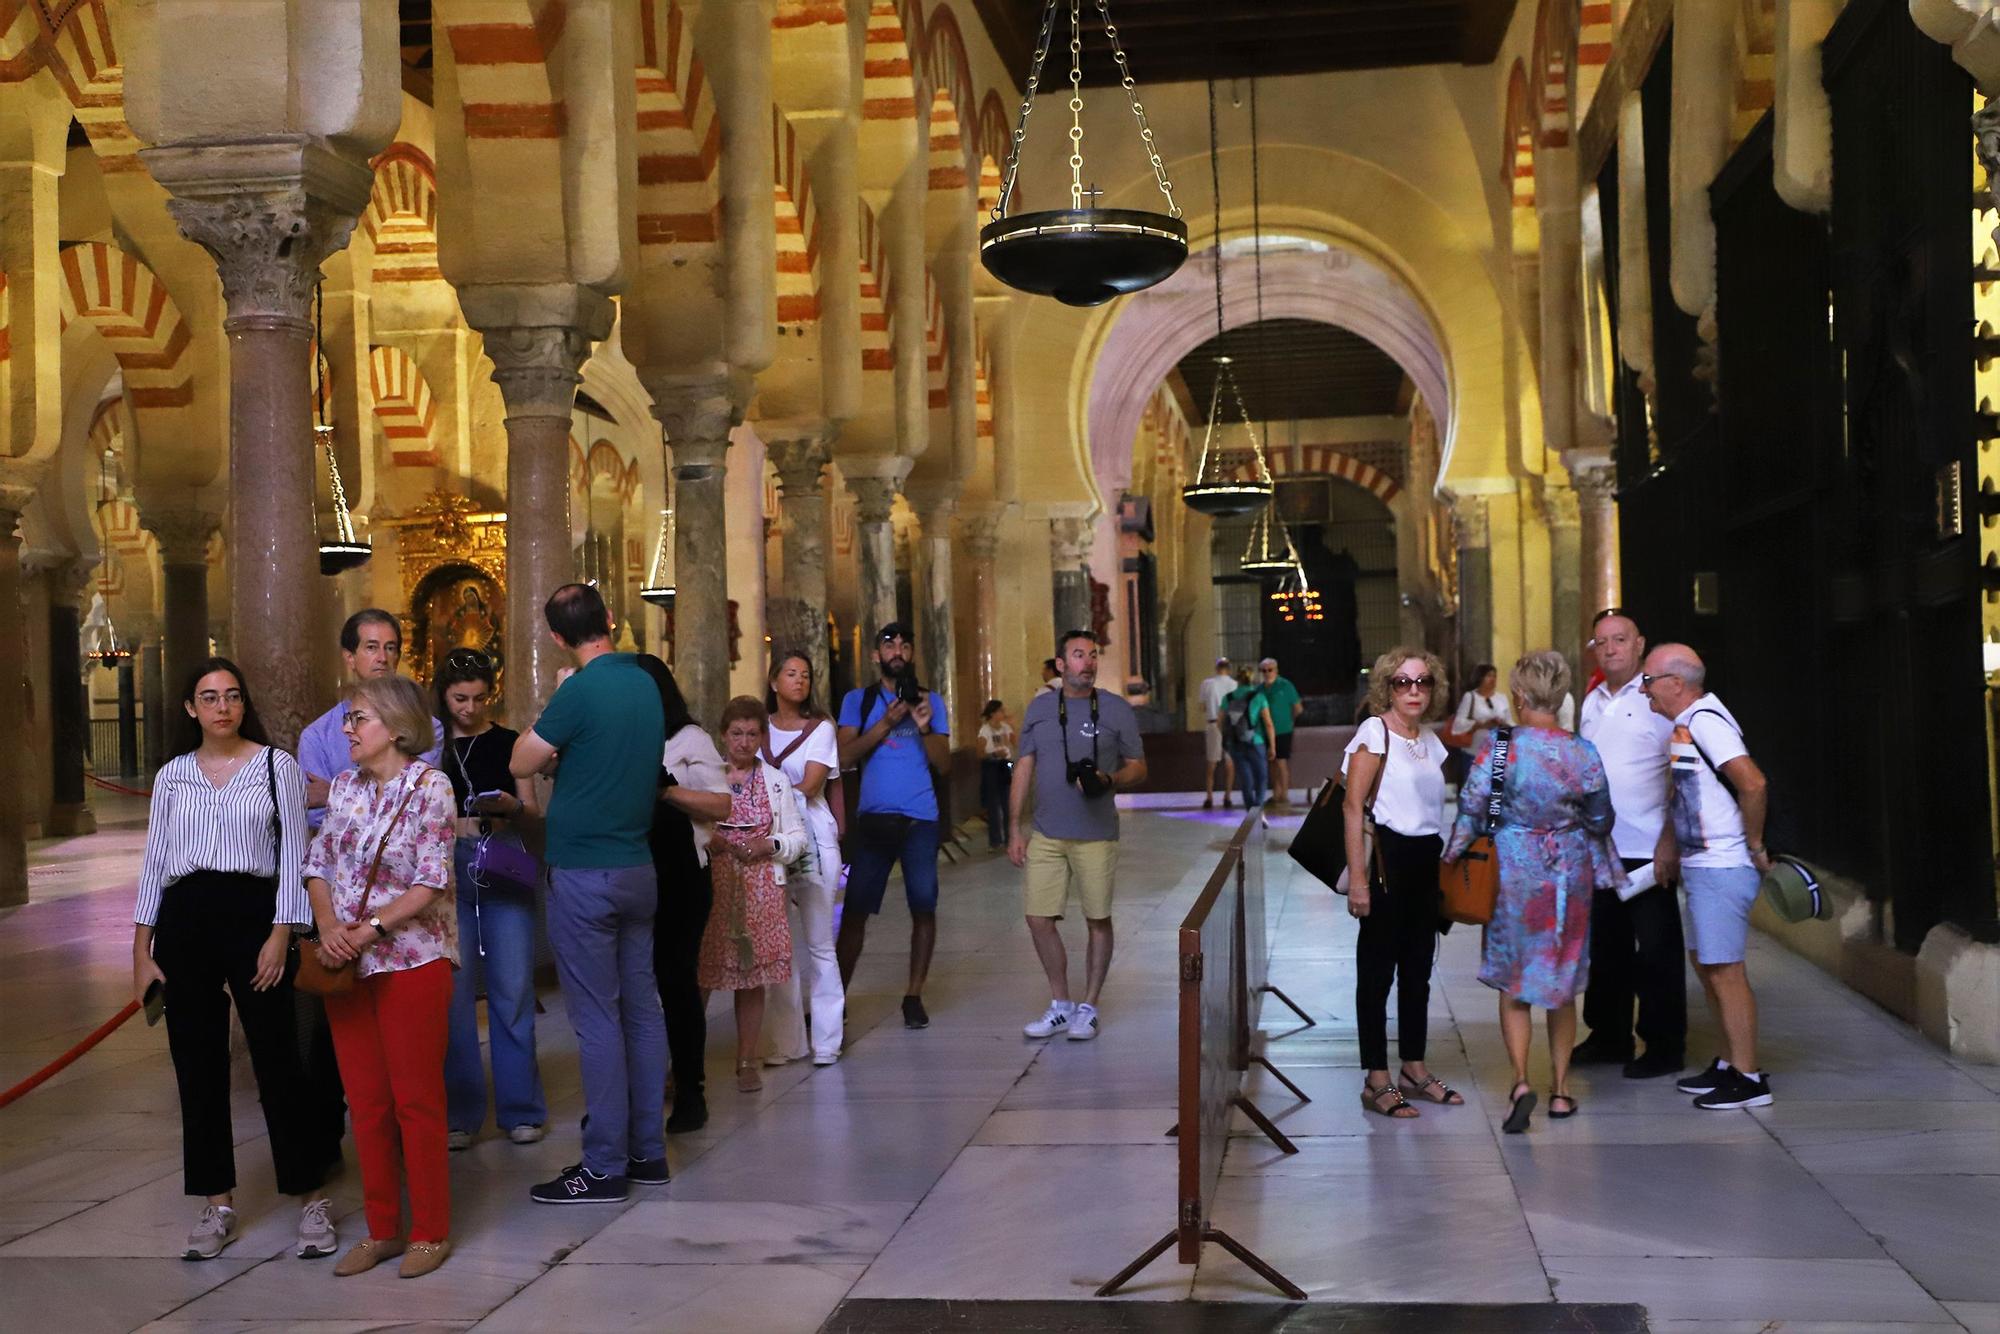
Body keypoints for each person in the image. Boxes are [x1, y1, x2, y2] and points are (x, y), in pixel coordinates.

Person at [131, 658, 332, 1262]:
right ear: (191, 708)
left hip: (255, 917)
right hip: (185, 920)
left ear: (244, 705)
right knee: (197, 1066)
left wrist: (282, 933)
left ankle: (309, 1195)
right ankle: (216, 1202)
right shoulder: (171, 777)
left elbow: (296, 855)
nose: (223, 707)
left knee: (278, 1061)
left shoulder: (278, 767)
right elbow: (155, 862)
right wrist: (141, 949)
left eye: (233, 696)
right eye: (209, 697)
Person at [510, 584, 669, 1203]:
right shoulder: (646, 684)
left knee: (598, 1019)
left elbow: (525, 760)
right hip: (637, 865)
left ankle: (603, 1165)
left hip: (584, 874)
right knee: (642, 1011)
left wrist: (556, 699)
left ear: (556, 637)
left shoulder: (578, 691)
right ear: (611, 619)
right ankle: (647, 1153)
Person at [303, 674, 458, 1279]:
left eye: (358, 718)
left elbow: (431, 878)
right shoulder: (343, 787)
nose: (347, 730)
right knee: (366, 1103)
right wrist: (328, 929)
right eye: (348, 718)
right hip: (347, 963)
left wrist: (365, 929)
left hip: (412, 959)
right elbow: (317, 863)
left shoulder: (431, 788)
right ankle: (382, 1227)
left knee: (415, 1100)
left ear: (395, 726)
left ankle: (430, 1230)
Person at [1445, 650, 1618, 1133]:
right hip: (1569, 873)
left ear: (1518, 697)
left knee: (1515, 981)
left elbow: (1473, 809)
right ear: (1561, 697)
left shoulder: (1500, 748)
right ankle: (1561, 1092)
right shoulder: (1583, 751)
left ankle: (1521, 1081)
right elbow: (1602, 819)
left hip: (1514, 872)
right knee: (1560, 984)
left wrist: (1452, 856)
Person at [294, 609, 442, 1159]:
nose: (382, 656)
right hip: (338, 910)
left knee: (412, 1066)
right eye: (371, 647)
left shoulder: (428, 729)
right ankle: (334, 1140)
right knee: (342, 1048)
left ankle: (416, 1167)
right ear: (350, 657)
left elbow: (413, 797)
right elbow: (319, 835)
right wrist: (330, 919)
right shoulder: (316, 734)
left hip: (406, 926)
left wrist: (333, 791)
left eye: (392, 647)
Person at [1641, 644, 1775, 1110]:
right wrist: (1669, 845)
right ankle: (1727, 1063)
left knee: (1726, 971)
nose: (1645, 691)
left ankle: (1749, 1076)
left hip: (1722, 863)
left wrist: (1754, 845)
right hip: (1700, 864)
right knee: (1707, 966)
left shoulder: (1704, 722)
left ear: (1676, 683)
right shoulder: (1686, 726)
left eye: (1649, 681)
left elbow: (1753, 783)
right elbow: (1685, 793)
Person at [434, 648, 547, 1150]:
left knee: (513, 986)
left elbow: (533, 813)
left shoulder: (509, 741)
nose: (470, 708)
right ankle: (459, 1112)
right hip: (445, 865)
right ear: (443, 695)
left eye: (480, 698)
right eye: (460, 698)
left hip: (500, 853)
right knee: (454, 997)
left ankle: (521, 1109)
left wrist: (511, 805)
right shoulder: (429, 746)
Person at [1009, 629, 1147, 1041]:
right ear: (1060, 664)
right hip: (1048, 833)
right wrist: (1015, 826)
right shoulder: (1039, 709)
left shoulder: (1116, 709)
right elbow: (1024, 768)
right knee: (1037, 918)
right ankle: (1060, 1003)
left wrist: (1112, 778)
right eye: (1078, 655)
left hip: (1096, 834)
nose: (1087, 662)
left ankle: (1088, 1006)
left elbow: (1139, 766)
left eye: (1092, 655)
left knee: (1097, 919)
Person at [1341, 647, 1455, 1120]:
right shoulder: (1374, 732)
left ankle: (1413, 1064)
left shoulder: (1429, 739)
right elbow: (1352, 807)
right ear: (1387, 687)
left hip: (1425, 859)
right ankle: (1376, 1076)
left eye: (1423, 682)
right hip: (1388, 859)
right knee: (1376, 974)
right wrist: (1359, 881)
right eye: (1403, 682)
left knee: (1418, 972)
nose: (1413, 691)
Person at [1575, 611, 1685, 1079]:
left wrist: (1669, 840)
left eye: (1620, 639)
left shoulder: (1657, 699)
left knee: (1656, 948)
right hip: (1599, 847)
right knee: (1607, 948)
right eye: (1602, 642)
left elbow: (1681, 775)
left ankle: (1663, 1044)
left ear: (1639, 644)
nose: (1611, 648)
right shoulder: (1592, 700)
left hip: (1647, 847)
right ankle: (1609, 1035)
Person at [633, 654, 732, 1134]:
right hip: (631, 871)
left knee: (676, 982)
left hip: (682, 876)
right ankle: (640, 1089)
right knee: (633, 986)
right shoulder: (621, 738)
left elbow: (721, 803)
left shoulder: (688, 739)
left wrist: (668, 791)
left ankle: (691, 1089)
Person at [836, 621, 951, 1030]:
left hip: (921, 819)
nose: (897, 651)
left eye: (905, 644)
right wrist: (884, 724)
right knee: (854, 912)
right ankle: (837, 998)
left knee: (924, 905)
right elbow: (844, 756)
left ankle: (914, 995)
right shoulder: (859, 700)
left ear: (913, 654)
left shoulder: (932, 701)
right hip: (874, 820)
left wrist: (922, 725)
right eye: (889, 645)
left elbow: (945, 763)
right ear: (875, 655)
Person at [700, 697, 809, 1092]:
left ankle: (747, 1058)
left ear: (762, 737)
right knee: (702, 973)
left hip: (761, 887)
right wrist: (707, 839)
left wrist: (770, 846)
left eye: (751, 734)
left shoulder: (776, 781)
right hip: (713, 885)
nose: (744, 742)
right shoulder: (706, 776)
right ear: (723, 736)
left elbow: (797, 838)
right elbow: (686, 824)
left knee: (751, 976)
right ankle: (686, 1060)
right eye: (736, 734)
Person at [763, 650, 846, 1068]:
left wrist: (767, 794)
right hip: (770, 843)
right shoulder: (758, 730)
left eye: (806, 675)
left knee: (819, 943)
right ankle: (786, 1040)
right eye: (791, 674)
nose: (799, 681)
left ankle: (827, 1039)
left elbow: (811, 785)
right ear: (774, 680)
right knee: (780, 946)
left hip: (813, 839)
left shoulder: (821, 729)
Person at [1222, 668, 1276, 811]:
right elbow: (1268, 723)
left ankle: (1250, 811)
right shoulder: (1259, 697)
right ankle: (1257, 808)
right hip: (1256, 741)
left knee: (1246, 779)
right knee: (1262, 777)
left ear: (1237, 680)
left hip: (1235, 743)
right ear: (1252, 679)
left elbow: (1219, 722)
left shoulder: (1228, 698)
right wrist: (1273, 746)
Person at [1258, 657, 1304, 809]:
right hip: (1266, 731)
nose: (1267, 673)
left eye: (1270, 670)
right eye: (1264, 670)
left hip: (1283, 730)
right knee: (1271, 762)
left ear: (1276, 670)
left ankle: (1284, 794)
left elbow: (1298, 708)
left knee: (1281, 761)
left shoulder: (1285, 685)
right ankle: (1276, 792)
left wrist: (1289, 720)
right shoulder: (1260, 689)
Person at [1199, 657, 1238, 810]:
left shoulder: (1207, 684)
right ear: (1228, 669)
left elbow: (1202, 707)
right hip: (1230, 725)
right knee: (1229, 763)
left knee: (1211, 763)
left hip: (1213, 723)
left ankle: (1209, 797)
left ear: (1216, 668)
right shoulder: (1234, 684)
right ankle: (1227, 797)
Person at [977, 699, 1016, 848]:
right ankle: (995, 840)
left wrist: (1012, 726)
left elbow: (1016, 742)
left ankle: (1009, 838)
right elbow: (980, 753)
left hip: (1006, 764)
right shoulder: (985, 730)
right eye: (1000, 711)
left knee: (1008, 802)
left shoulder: (1005, 727)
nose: (1003, 714)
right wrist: (994, 754)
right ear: (993, 713)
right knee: (993, 804)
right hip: (992, 766)